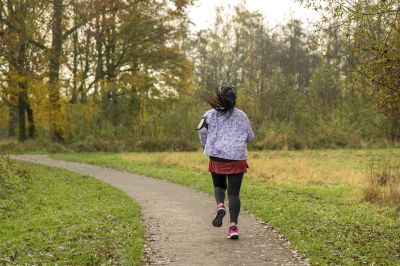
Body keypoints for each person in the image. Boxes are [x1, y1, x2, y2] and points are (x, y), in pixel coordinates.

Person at [197, 85, 254, 240]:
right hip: (237, 157)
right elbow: (250, 137)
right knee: (234, 194)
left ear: (220, 97)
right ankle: (233, 228)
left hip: (217, 156)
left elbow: (201, 130)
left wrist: (205, 145)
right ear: (235, 98)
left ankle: (220, 205)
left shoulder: (209, 114)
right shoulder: (242, 115)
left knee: (219, 186)